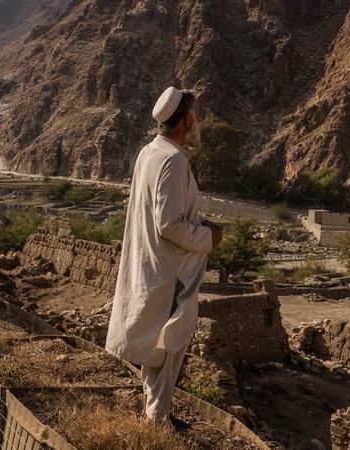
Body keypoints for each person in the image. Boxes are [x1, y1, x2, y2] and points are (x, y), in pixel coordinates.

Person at [105, 87, 223, 424]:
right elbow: (169, 224)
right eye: (196, 116)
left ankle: (155, 413)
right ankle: (156, 423)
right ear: (187, 120)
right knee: (169, 348)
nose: (198, 122)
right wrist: (209, 237)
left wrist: (199, 223)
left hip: (152, 265)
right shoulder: (173, 160)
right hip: (170, 272)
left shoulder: (149, 152)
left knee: (157, 349)